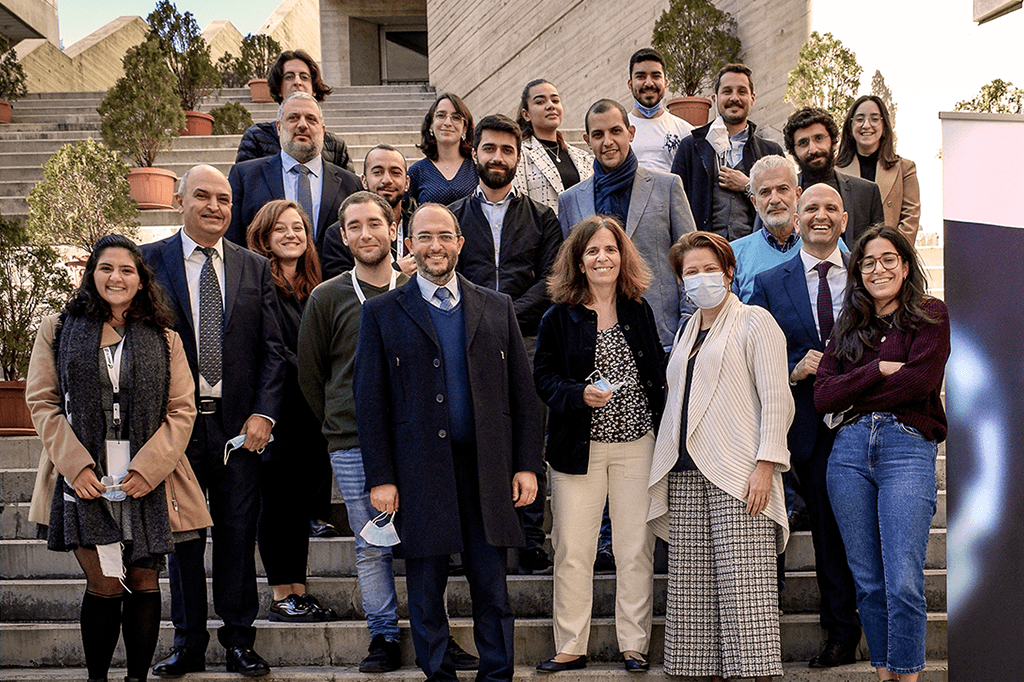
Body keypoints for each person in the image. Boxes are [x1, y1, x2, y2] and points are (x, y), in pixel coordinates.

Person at [354, 203, 545, 682]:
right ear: (409, 246)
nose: (434, 246)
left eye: (444, 236)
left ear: (460, 243)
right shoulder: (381, 313)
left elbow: (524, 395)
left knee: (492, 589)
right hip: (418, 472)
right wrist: (381, 478)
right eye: (424, 237)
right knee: (424, 589)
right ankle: (438, 674)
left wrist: (526, 466)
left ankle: (497, 674)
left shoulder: (496, 306)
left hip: (486, 470)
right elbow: (369, 401)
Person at [26, 234, 212, 682]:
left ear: (140, 279)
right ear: (92, 274)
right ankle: (97, 679)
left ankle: (137, 679)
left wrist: (148, 470)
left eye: (127, 270)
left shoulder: (165, 338)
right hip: (84, 478)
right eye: (106, 268)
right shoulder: (57, 328)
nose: (117, 277)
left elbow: (182, 410)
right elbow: (42, 402)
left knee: (145, 582)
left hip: (149, 478)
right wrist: (78, 466)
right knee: (105, 584)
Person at [143, 165, 287, 678]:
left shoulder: (253, 267)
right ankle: (187, 644)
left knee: (236, 532)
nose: (214, 206)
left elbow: (274, 351)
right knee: (183, 538)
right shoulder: (149, 261)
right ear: (179, 200)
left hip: (238, 431)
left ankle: (239, 642)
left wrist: (264, 413)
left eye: (224, 199)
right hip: (174, 429)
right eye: (201, 196)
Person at [647, 231, 794, 681]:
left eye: (710, 269)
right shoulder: (688, 329)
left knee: (745, 602)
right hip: (687, 473)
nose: (701, 278)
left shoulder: (755, 321)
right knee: (694, 607)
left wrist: (765, 465)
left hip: (739, 474)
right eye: (691, 272)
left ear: (730, 273)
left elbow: (777, 398)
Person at [814, 225, 950, 682]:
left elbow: (919, 383)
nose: (879, 269)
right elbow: (822, 395)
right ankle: (882, 674)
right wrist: (877, 370)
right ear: (858, 272)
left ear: (906, 264)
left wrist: (855, 393)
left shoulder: (930, 314)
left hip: (905, 448)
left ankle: (907, 676)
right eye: (868, 262)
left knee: (903, 581)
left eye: (888, 259)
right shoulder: (848, 324)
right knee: (868, 583)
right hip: (848, 454)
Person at [533, 216, 666, 673]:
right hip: (578, 447)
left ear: (622, 256)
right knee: (573, 549)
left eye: (610, 249)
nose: (602, 257)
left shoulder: (638, 310)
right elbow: (544, 379)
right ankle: (571, 645)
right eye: (592, 251)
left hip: (636, 445)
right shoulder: (558, 316)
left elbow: (658, 377)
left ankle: (634, 644)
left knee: (634, 548)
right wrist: (578, 394)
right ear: (579, 261)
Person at [749, 183, 863, 668]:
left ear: (843, 220)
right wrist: (794, 364)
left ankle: (866, 625)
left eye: (830, 208)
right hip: (806, 427)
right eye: (811, 207)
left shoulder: (868, 274)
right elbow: (757, 349)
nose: (820, 215)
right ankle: (837, 634)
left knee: (859, 532)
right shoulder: (772, 282)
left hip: (864, 420)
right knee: (826, 533)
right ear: (796, 217)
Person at [243, 199, 337, 622]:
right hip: (275, 412)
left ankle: (298, 589)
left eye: (298, 227)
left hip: (313, 415)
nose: (291, 234)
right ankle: (282, 593)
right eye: (280, 228)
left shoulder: (315, 288)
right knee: (277, 505)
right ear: (263, 235)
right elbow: (273, 350)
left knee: (299, 507)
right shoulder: (255, 283)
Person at [558, 98, 697, 348]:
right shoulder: (570, 201)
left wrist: (688, 321)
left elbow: (692, 259)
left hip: (663, 336)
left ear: (631, 133)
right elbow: (569, 274)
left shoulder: (668, 186)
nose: (607, 141)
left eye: (616, 131)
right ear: (587, 141)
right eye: (598, 134)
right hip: (598, 340)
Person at [226, 92, 362, 256]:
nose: (303, 125)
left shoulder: (350, 184)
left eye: (311, 119)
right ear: (278, 128)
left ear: (323, 131)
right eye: (293, 118)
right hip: (265, 279)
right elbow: (232, 244)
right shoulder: (245, 177)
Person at [671, 64, 784, 241]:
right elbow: (675, 205)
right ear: (715, 98)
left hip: (757, 254)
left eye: (742, 91)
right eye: (727, 91)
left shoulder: (770, 151)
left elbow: (784, 203)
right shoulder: (690, 147)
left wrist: (749, 186)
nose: (734, 98)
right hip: (704, 253)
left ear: (752, 98)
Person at [235, 49, 351, 171]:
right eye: (289, 77)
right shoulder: (256, 138)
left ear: (314, 88)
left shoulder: (336, 147)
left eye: (304, 77)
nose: (297, 82)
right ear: (279, 88)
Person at [784, 107, 884, 247]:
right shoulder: (783, 195)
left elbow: (877, 247)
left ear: (834, 141)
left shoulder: (867, 193)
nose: (813, 149)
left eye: (819, 138)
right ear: (793, 151)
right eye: (803, 143)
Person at [321, 144, 420, 280]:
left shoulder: (421, 226)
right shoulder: (339, 233)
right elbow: (340, 289)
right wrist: (395, 271)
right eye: (377, 172)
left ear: (407, 183)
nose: (387, 180)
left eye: (395, 173)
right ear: (364, 181)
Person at [836, 95, 921, 245]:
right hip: (846, 256)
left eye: (874, 119)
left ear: (884, 125)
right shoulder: (835, 170)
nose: (866, 125)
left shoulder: (905, 169)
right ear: (850, 125)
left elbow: (910, 218)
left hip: (889, 257)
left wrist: (893, 252)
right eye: (859, 119)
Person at [512, 78, 593, 213]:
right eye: (540, 102)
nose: (550, 106)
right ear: (526, 115)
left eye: (555, 100)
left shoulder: (583, 157)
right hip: (544, 232)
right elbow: (520, 208)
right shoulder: (520, 155)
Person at [731, 155, 803, 302]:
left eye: (782, 189)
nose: (775, 200)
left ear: (797, 195)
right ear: (754, 203)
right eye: (765, 192)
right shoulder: (734, 254)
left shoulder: (826, 245)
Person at [626, 47, 694, 173]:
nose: (649, 83)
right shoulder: (619, 131)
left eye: (656, 76)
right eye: (641, 77)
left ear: (665, 83)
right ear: (630, 84)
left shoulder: (686, 132)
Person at [407, 93, 479, 205]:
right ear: (431, 124)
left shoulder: (477, 169)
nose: (447, 123)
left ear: (465, 128)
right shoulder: (416, 172)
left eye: (456, 118)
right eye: (441, 116)